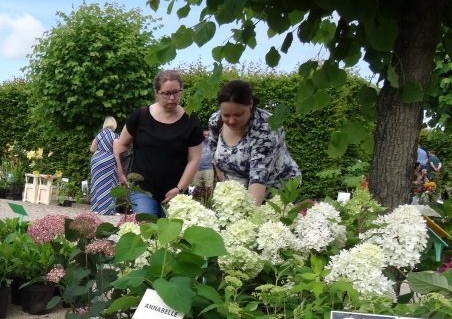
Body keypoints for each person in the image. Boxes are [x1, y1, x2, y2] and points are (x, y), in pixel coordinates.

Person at [113, 70, 204, 218]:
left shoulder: (191, 121)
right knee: (145, 228)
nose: (172, 98)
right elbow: (121, 144)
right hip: (142, 189)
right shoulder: (141, 115)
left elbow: (194, 158)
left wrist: (180, 189)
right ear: (156, 92)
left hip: (175, 191)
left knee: (171, 236)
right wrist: (121, 173)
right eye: (166, 94)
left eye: (176, 92)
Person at [208, 79, 300, 205]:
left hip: (275, 193)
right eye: (226, 115)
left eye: (238, 114)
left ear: (250, 103)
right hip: (238, 195)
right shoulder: (215, 121)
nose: (231, 121)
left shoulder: (266, 127)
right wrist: (228, 193)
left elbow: (258, 178)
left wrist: (249, 217)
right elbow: (215, 158)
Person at [89, 116, 119, 215]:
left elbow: (92, 149)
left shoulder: (99, 135)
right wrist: (119, 165)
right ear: (114, 124)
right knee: (110, 185)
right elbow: (116, 152)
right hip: (109, 162)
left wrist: (100, 152)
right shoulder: (115, 136)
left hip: (96, 161)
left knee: (97, 184)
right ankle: (108, 210)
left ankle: (96, 209)